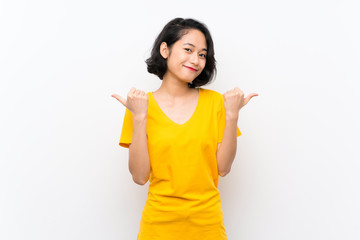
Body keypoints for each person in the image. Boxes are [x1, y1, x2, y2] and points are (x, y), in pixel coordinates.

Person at [111, 17, 258, 240]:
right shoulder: (139, 106)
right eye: (188, 49)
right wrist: (139, 116)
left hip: (208, 227)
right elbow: (140, 177)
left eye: (202, 54)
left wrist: (232, 115)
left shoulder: (216, 103)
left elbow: (223, 168)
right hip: (157, 227)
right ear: (165, 50)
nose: (196, 60)